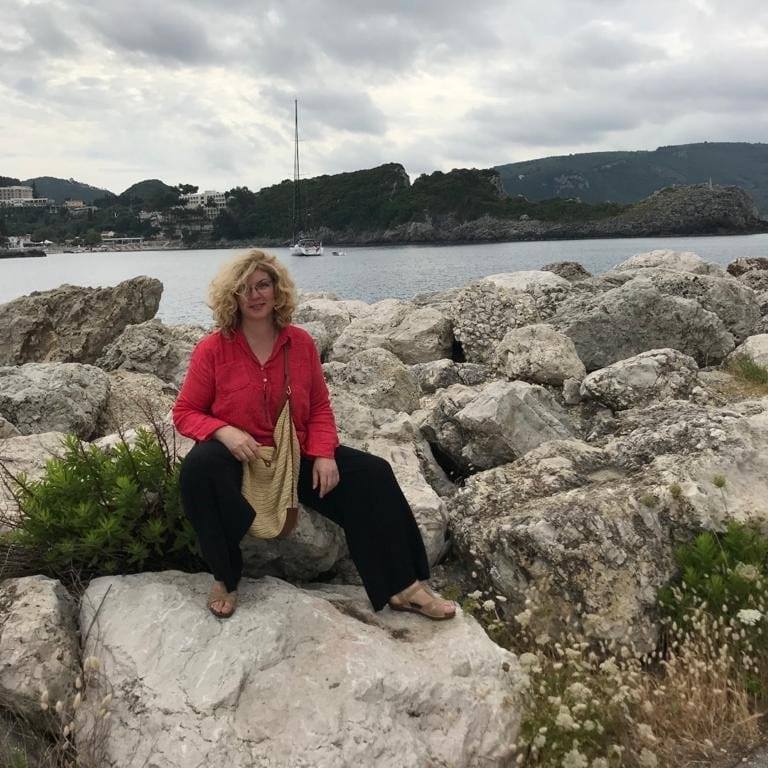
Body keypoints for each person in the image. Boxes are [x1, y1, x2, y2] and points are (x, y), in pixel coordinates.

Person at [173, 249, 456, 621]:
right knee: (198, 470)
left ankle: (405, 587)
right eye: (245, 289)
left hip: (294, 455)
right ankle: (225, 578)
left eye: (263, 285)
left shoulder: (300, 344)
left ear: (277, 290)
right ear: (233, 297)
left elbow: (320, 406)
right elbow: (185, 412)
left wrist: (323, 452)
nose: (255, 295)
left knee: (373, 474)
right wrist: (224, 431)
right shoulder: (213, 349)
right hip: (240, 456)